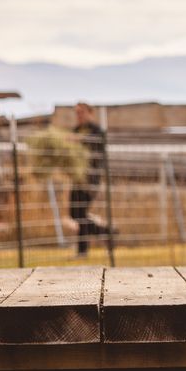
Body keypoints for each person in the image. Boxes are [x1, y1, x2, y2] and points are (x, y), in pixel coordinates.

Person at [69, 102, 107, 257]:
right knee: (75, 214)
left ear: (90, 113)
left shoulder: (96, 131)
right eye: (77, 113)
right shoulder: (76, 131)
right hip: (77, 179)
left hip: (91, 180)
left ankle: (82, 250)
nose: (79, 116)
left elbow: (96, 145)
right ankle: (106, 231)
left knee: (81, 213)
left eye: (81, 112)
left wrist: (79, 140)